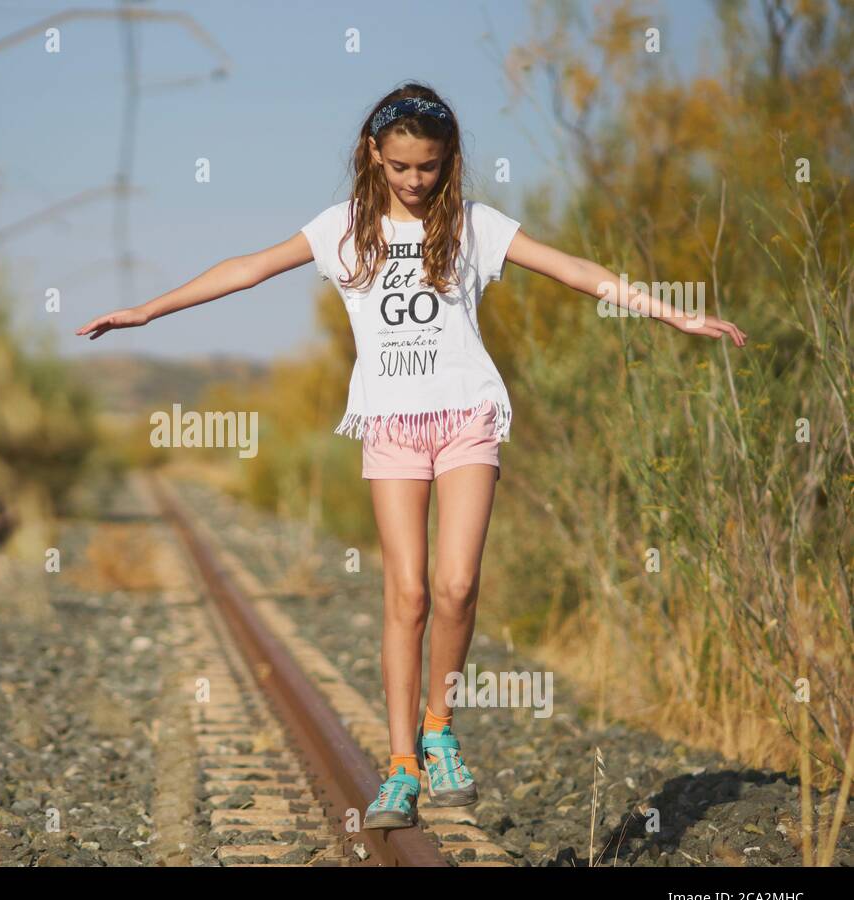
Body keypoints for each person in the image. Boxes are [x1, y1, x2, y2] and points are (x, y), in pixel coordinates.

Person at [75, 82, 746, 830]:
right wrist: (146, 310)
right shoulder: (343, 229)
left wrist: (672, 310)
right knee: (409, 593)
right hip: (391, 426)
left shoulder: (473, 226)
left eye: (427, 166)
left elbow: (575, 271)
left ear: (448, 160)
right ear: (374, 153)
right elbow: (247, 269)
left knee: (457, 587)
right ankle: (399, 767)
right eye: (400, 165)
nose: (414, 180)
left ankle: (439, 730)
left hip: (467, 418)